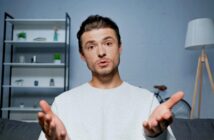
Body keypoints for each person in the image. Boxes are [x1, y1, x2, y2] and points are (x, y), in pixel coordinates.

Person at [38, 15, 184, 140]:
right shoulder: (63, 103)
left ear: (120, 47)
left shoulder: (147, 100)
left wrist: (156, 136)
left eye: (108, 43)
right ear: (82, 55)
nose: (101, 52)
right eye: (91, 46)